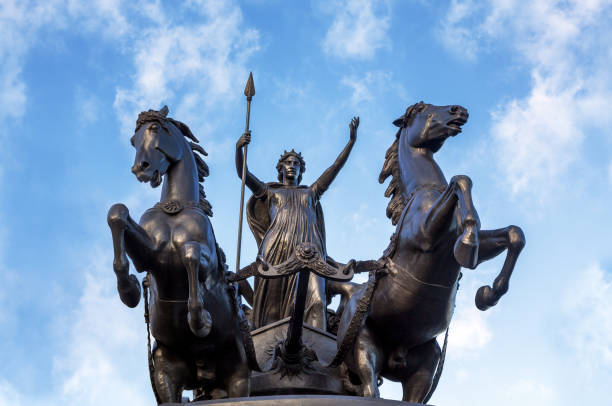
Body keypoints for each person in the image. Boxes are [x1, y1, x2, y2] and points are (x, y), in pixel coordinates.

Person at [235, 117, 359, 330]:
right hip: (276, 249)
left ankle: (315, 348)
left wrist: (351, 142)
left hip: (310, 250)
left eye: (296, 164)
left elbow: (335, 167)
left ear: (301, 171)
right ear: (280, 168)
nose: (292, 166)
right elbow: (243, 174)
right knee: (273, 307)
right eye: (288, 163)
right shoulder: (270, 191)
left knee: (316, 299)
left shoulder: (311, 192)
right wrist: (238, 149)